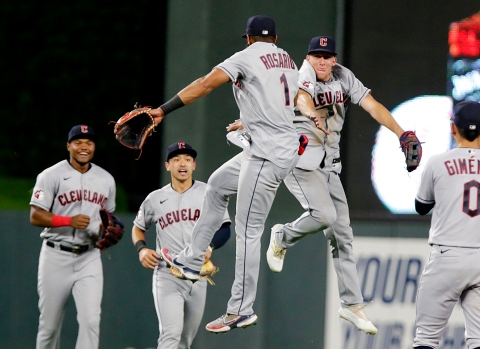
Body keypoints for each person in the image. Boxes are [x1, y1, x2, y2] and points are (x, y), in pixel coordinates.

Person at [148, 15, 309, 333]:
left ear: (248, 38)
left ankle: (241, 309)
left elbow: (206, 84)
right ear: (274, 39)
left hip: (266, 155)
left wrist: (162, 110)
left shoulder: (245, 57)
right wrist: (248, 123)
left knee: (249, 230)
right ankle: (192, 259)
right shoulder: (287, 60)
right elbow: (281, 103)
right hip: (275, 146)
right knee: (217, 186)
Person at [261, 35, 411, 335]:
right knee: (325, 216)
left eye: (327, 56)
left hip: (328, 164)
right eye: (316, 55)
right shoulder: (301, 74)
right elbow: (301, 97)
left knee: (342, 233)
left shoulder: (343, 76)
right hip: (300, 160)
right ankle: (282, 235)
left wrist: (401, 132)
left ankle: (352, 304)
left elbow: (372, 105)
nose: (322, 61)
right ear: (308, 58)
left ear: (334, 59)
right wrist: (310, 113)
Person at [412, 100, 480, 349]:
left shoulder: (436, 163)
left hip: (447, 255)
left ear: (452, 128)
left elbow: (421, 207)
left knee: (426, 339)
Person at [131, 142, 231, 348]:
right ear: (167, 165)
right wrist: (142, 249)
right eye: (176, 159)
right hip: (168, 273)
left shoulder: (208, 193)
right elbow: (138, 227)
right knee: (170, 335)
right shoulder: (155, 198)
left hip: (198, 274)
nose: (182, 163)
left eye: (187, 159)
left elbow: (225, 228)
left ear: (194, 165)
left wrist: (210, 247)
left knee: (185, 340)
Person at [29, 125, 117, 349]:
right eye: (78, 142)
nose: (84, 147)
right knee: (49, 327)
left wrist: (107, 231)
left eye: (89, 142)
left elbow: (109, 218)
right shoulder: (50, 175)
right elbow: (35, 215)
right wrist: (68, 221)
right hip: (55, 255)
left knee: (90, 321)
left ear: (94, 147)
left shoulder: (106, 179)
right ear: (68, 146)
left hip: (89, 256)